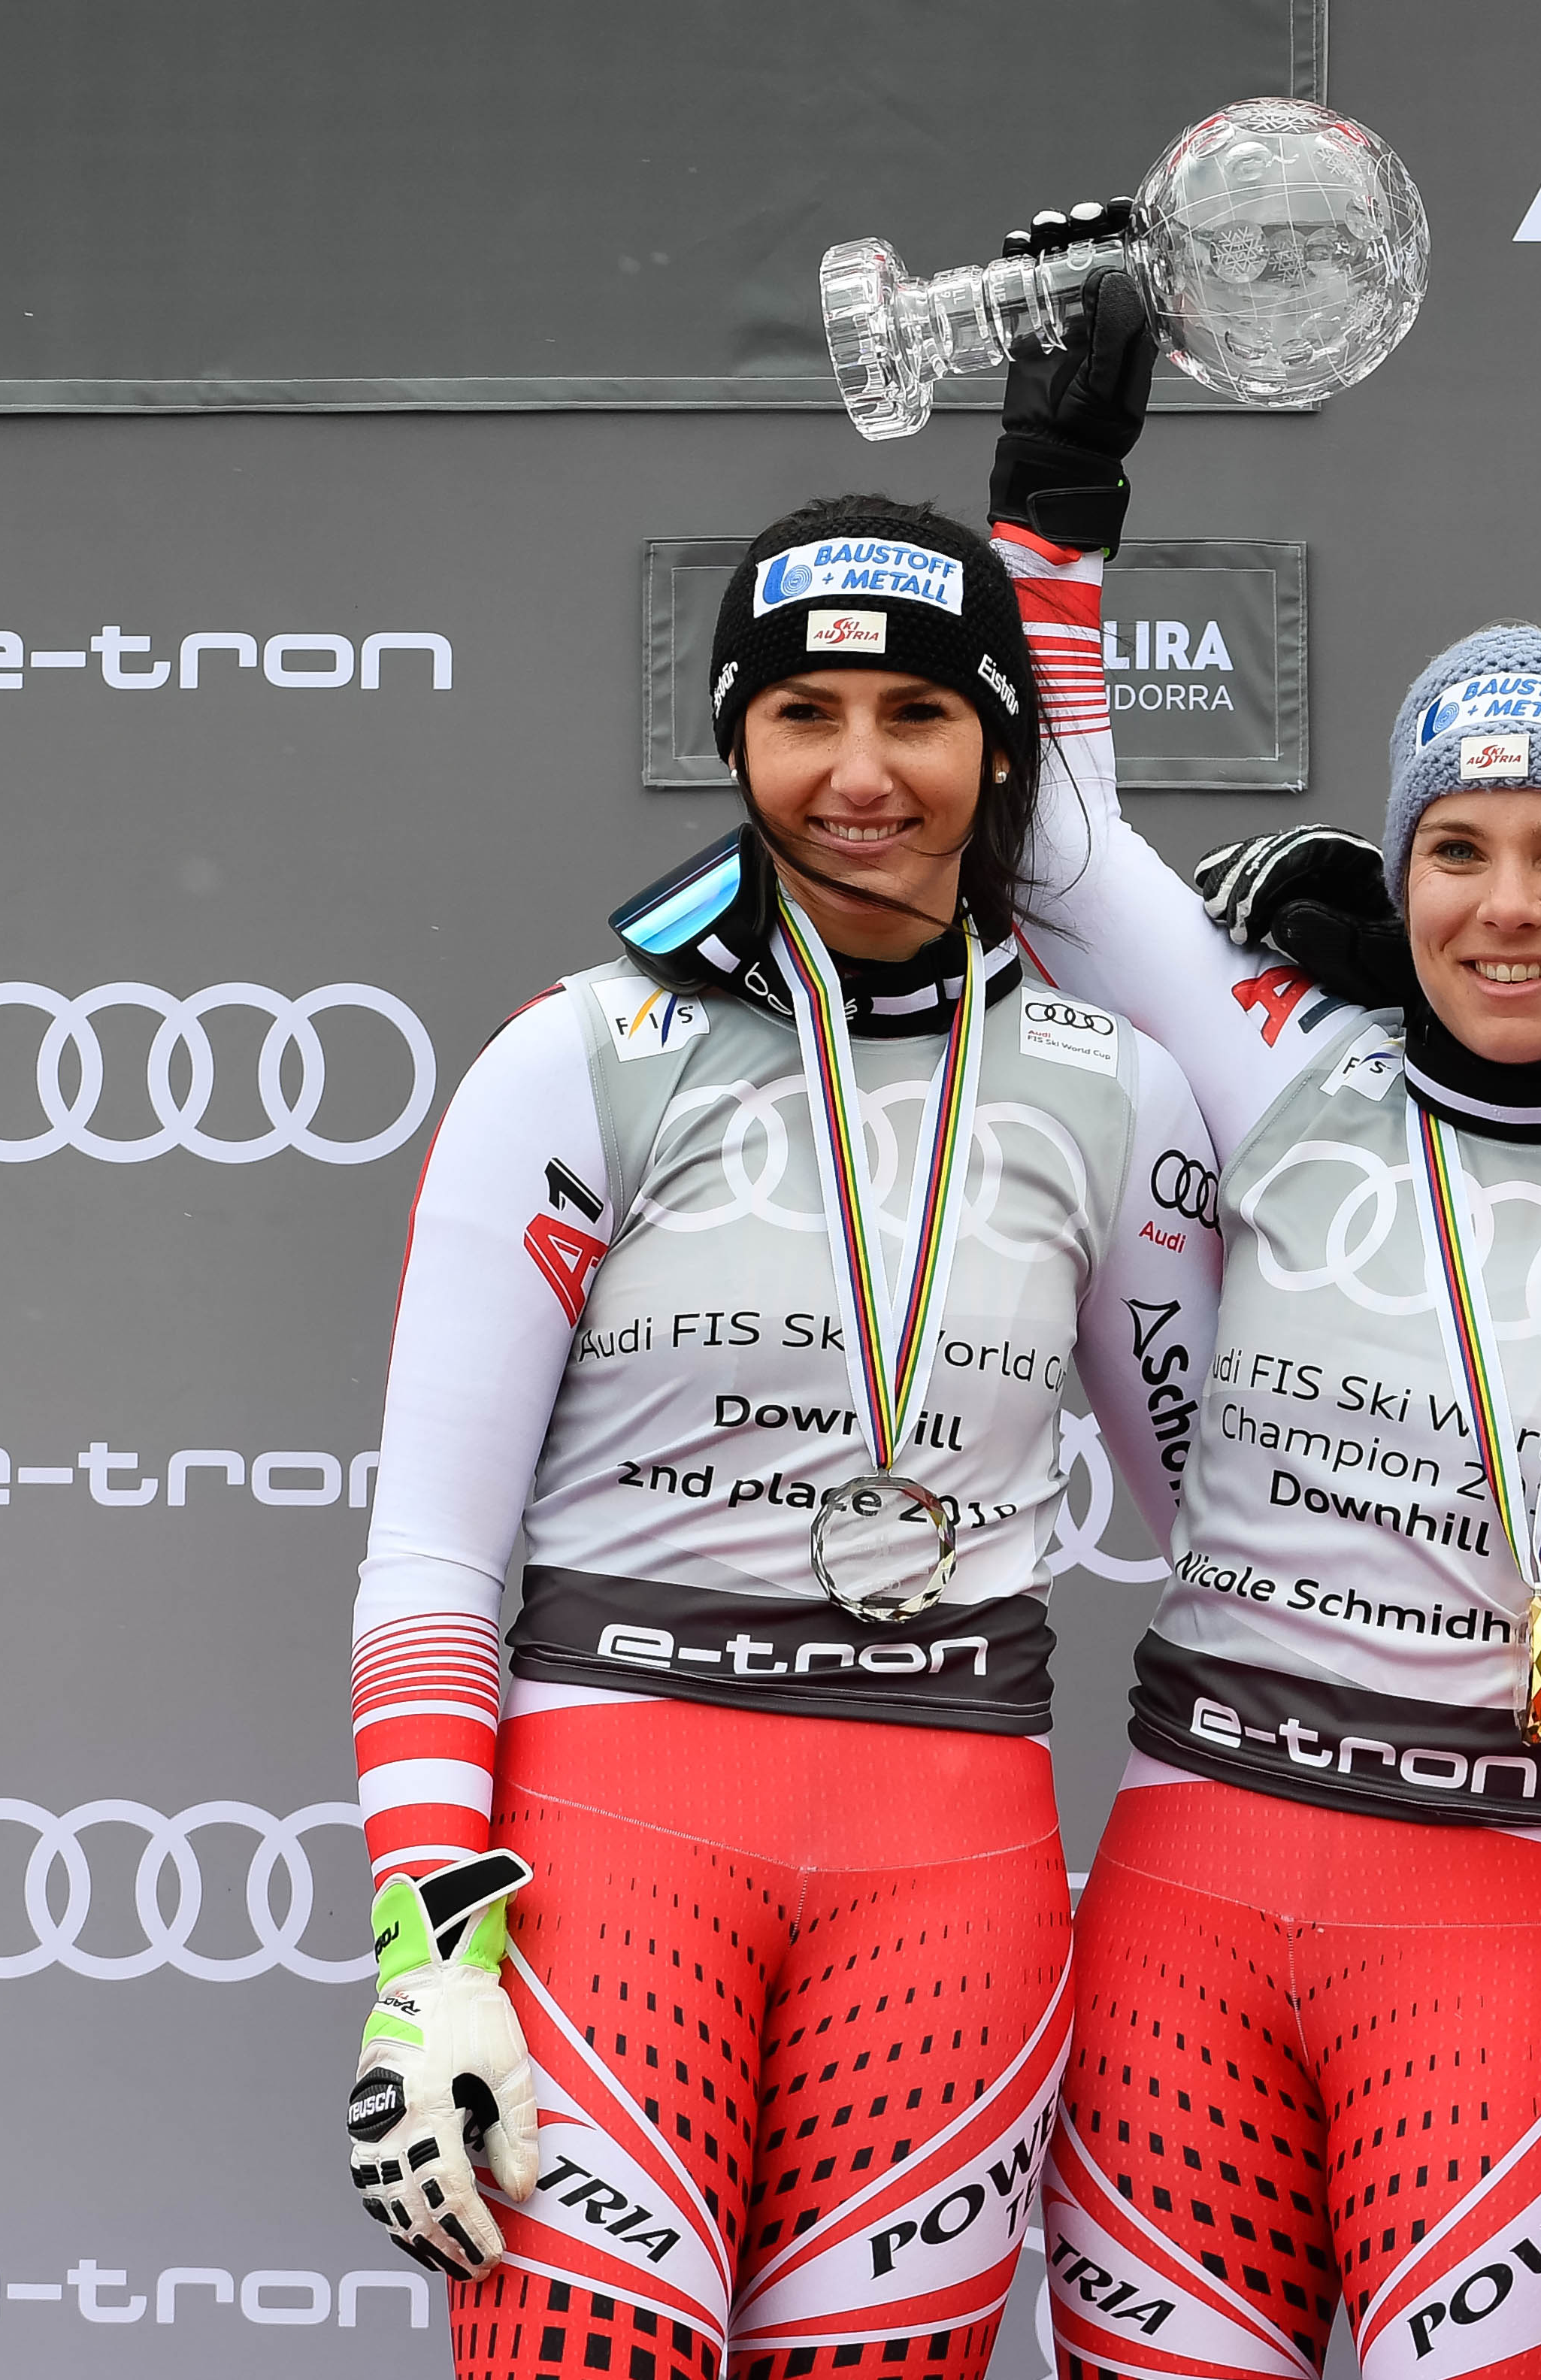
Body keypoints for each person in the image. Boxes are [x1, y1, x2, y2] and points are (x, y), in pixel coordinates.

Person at [975, 269, 1541, 2380]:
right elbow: (1055, 846)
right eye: (1456, 849)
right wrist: (1052, 511)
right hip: (1187, 1899)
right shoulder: (1285, 1055)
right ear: (1401, 866)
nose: (1504, 905)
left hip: (1510, 1938)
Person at [337, 382, 1225, 2378]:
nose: (862, 772)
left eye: (919, 713)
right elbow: (434, 1560)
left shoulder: (1115, 1090)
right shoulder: (578, 1053)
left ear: (999, 745)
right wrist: (428, 1951)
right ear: (735, 735)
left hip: (952, 1870)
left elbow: (1241, 1526)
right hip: (609, 1853)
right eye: (805, 714)